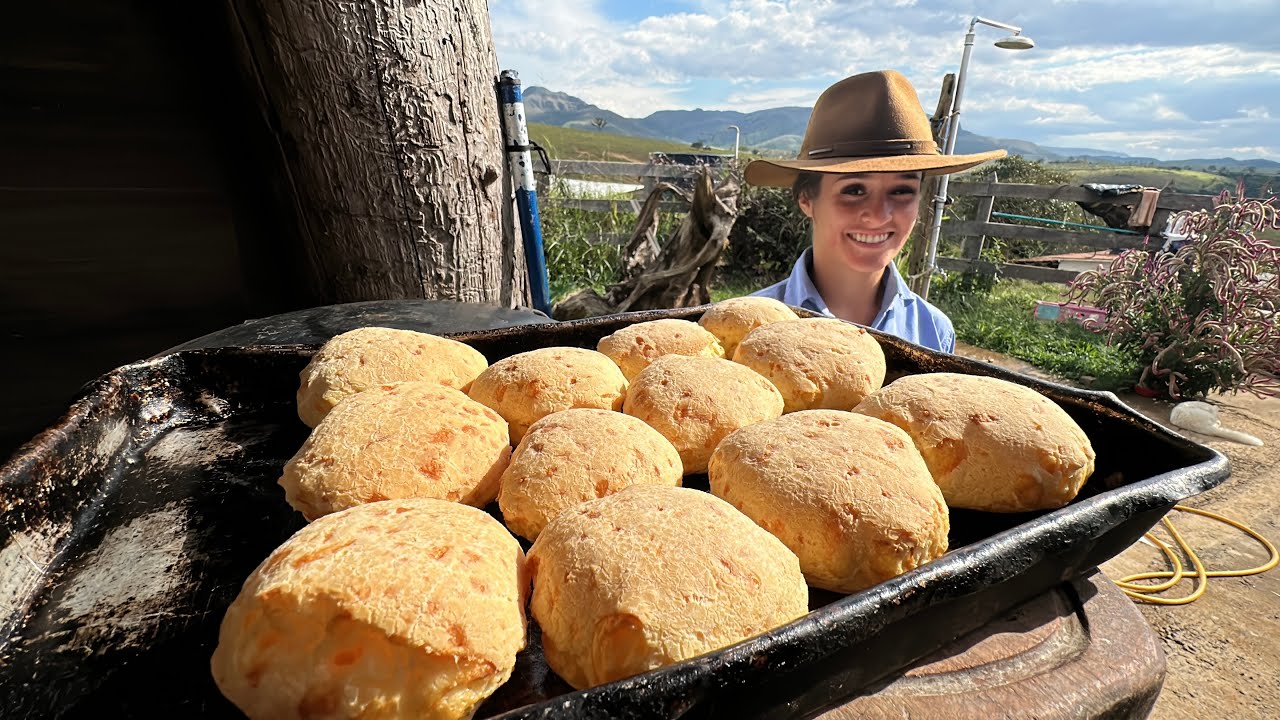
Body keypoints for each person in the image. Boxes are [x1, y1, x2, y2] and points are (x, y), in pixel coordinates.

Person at [744, 70, 1005, 353]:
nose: (880, 215)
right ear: (806, 198)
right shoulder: (749, 326)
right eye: (854, 190)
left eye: (902, 191)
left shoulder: (932, 332)